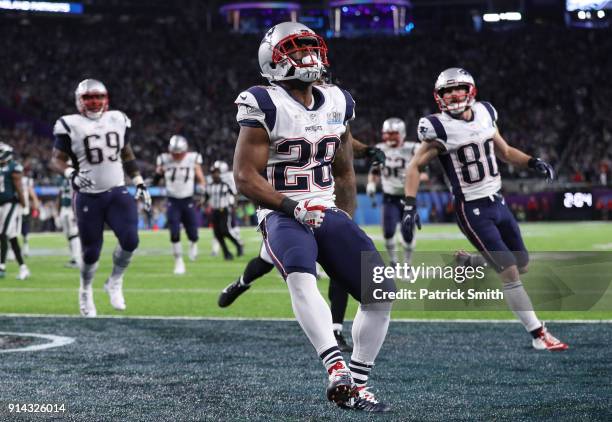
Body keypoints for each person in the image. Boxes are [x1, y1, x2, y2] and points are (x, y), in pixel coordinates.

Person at [233, 22, 394, 411]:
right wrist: (291, 207)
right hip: (282, 213)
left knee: (381, 293)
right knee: (302, 277)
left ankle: (356, 383)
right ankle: (335, 367)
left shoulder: (338, 100)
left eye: (311, 49)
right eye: (296, 50)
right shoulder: (263, 101)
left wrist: (346, 217)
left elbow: (343, 171)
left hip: (326, 208)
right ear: (273, 61)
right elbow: (244, 176)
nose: (308, 58)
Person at [402, 67, 568, 351]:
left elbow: (504, 152)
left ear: (471, 91)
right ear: (439, 96)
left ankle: (472, 263)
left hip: (498, 201)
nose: (453, 95)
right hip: (471, 208)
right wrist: (409, 204)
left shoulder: (485, 113)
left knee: (522, 264)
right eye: (447, 91)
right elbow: (415, 165)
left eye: (459, 89)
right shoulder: (437, 127)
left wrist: (532, 162)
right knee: (510, 272)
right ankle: (539, 334)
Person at [50, 79, 152, 317]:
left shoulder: (117, 119)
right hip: (88, 196)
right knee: (91, 252)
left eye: (98, 97)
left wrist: (139, 181)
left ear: (106, 98)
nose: (94, 102)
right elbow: (55, 159)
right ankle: (85, 290)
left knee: (131, 240)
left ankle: (114, 281)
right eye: (88, 98)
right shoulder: (69, 124)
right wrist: (69, 173)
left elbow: (126, 153)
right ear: (79, 100)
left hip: (117, 191)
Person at [218, 243, 354, 352]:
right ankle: (242, 282)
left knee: (341, 270)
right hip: (289, 220)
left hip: (324, 219)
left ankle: (336, 331)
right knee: (264, 264)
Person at [367, 117, 421, 267]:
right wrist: (371, 183)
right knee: (388, 232)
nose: (389, 137)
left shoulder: (413, 149)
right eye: (387, 133)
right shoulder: (380, 149)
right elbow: (375, 170)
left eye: (393, 133)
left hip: (408, 197)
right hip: (389, 197)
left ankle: (407, 264)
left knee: (408, 235)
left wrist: (412, 176)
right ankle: (393, 262)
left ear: (401, 133)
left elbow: (425, 173)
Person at [154, 135, 205, 275]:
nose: (176, 156)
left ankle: (193, 243)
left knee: (193, 233)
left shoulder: (192, 158)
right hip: (172, 200)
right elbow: (155, 182)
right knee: (174, 231)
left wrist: (202, 192)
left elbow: (200, 177)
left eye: (179, 153)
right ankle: (178, 261)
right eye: (174, 153)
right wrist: (158, 174)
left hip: (188, 199)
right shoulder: (163, 159)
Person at [0, 143, 30, 280]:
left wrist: (24, 204)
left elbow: (18, 187)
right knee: (11, 238)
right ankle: (23, 268)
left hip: (11, 204)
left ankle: (2, 266)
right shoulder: (3, 168)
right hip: (1, 205)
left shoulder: (14, 167)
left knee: (3, 233)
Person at [204, 167, 242, 260]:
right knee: (217, 234)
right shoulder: (209, 186)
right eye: (213, 173)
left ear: (219, 173)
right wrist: (201, 203)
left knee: (224, 230)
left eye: (216, 173)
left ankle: (238, 245)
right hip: (214, 211)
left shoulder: (225, 185)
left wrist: (234, 204)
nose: (214, 175)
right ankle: (226, 253)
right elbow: (206, 197)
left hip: (223, 210)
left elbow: (235, 194)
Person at [58, 175, 81, 268]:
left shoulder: (75, 179)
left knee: (74, 233)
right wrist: (57, 211)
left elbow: (77, 195)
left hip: (71, 209)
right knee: (68, 235)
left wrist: (76, 211)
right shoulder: (62, 179)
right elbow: (59, 196)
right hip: (64, 208)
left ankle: (77, 259)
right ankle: (73, 258)